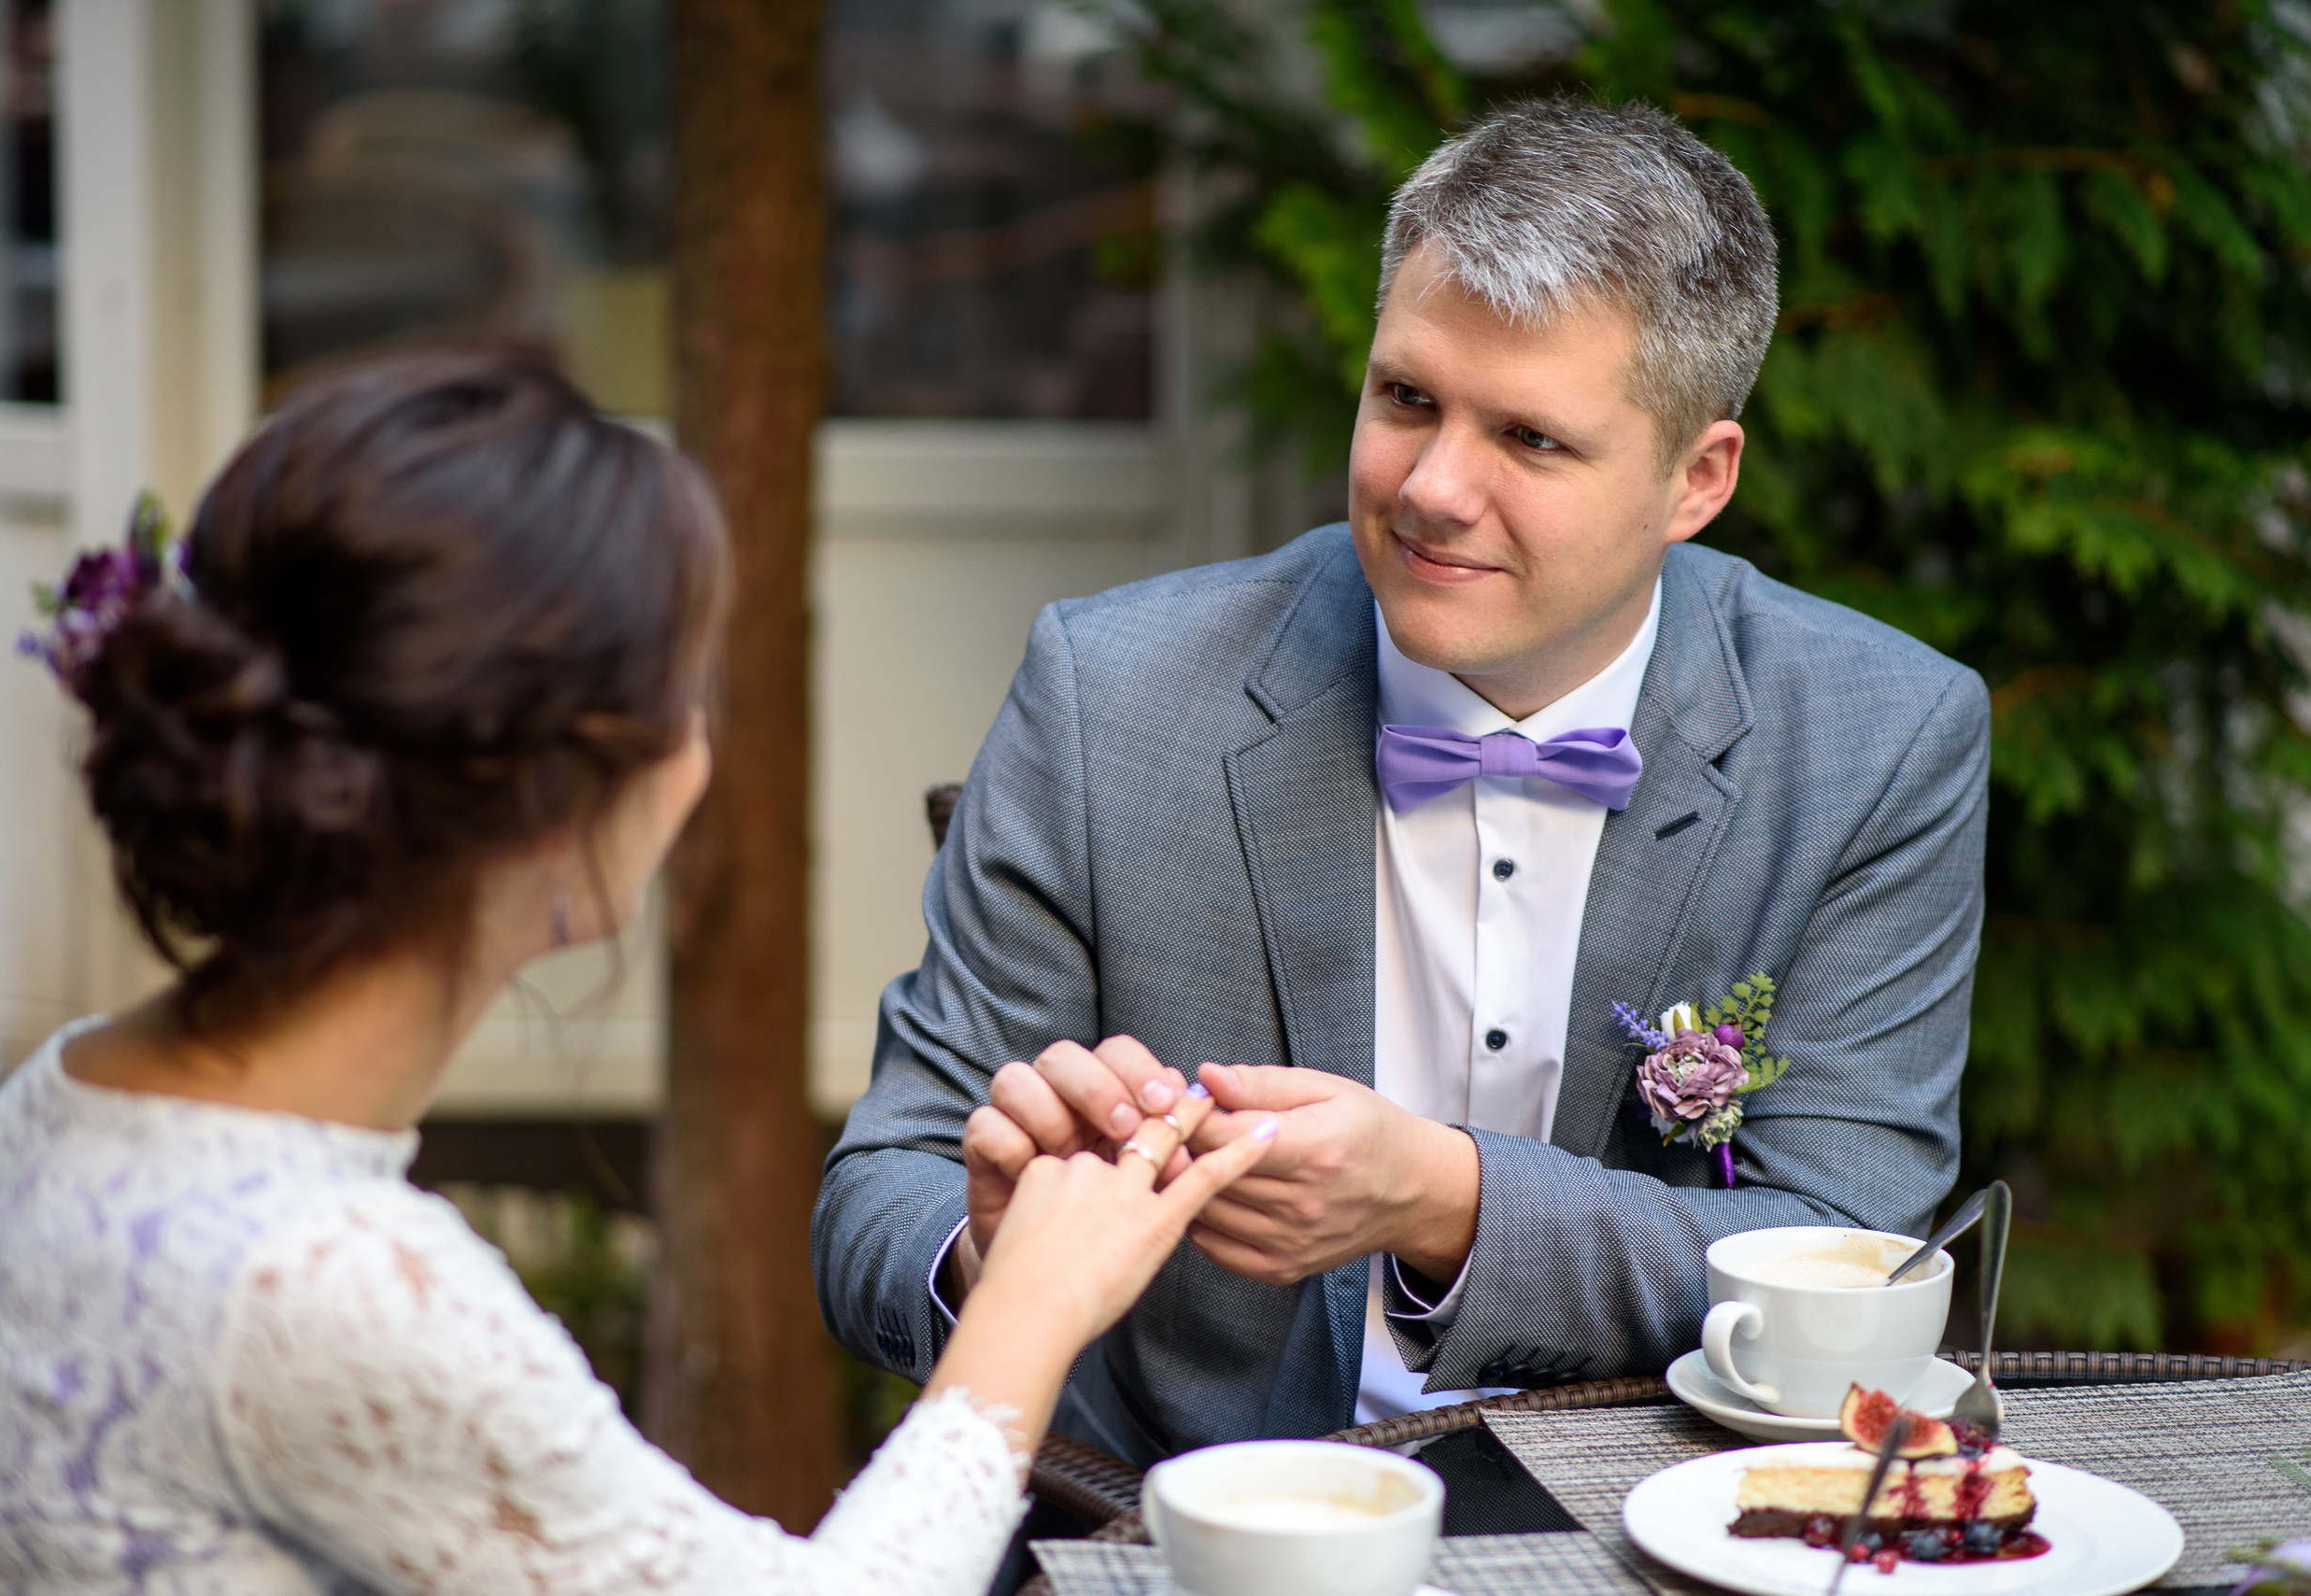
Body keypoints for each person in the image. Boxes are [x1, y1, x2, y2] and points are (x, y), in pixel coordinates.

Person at [0, 349, 1276, 1595]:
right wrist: (1034, 1304)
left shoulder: (61, 1094)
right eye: (687, 689)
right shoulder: (329, 1287)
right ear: (567, 792)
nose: (701, 745)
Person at [814, 97, 1989, 1465]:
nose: (1433, 486)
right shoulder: (1110, 691)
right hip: (1174, 1519)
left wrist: (1448, 1201)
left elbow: (1854, 1247)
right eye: (1407, 399)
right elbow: (875, 1197)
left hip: (1653, 1524)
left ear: (1696, 479)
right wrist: (989, 1252)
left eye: (1530, 440)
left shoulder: (1878, 738)